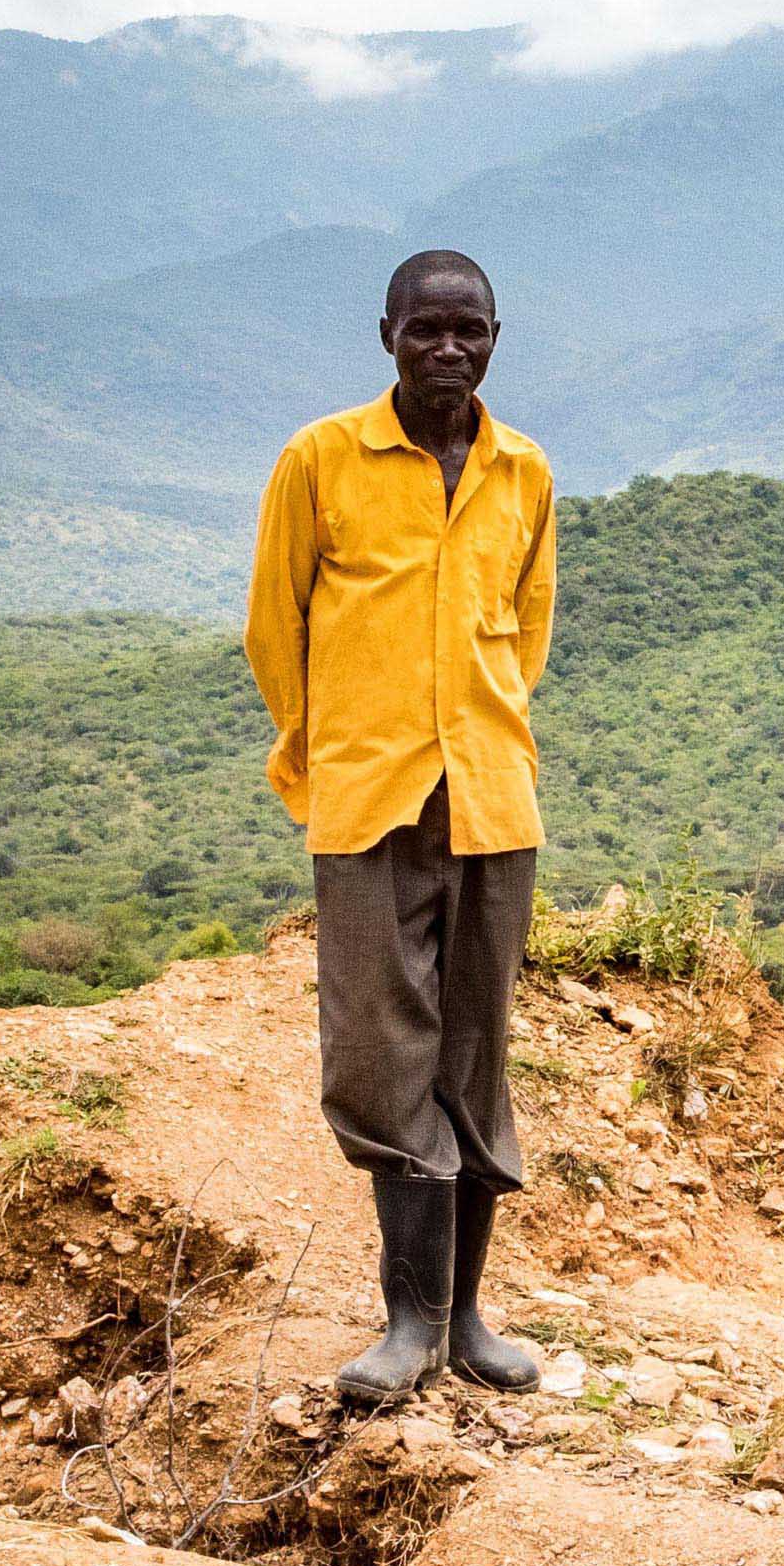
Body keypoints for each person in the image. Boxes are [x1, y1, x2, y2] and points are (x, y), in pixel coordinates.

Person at [245, 248, 561, 1412]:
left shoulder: (523, 470)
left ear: (493, 336)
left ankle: (465, 1318)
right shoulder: (321, 457)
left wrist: (482, 735)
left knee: (474, 1056)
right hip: (367, 801)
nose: (446, 346)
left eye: (466, 328)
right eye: (423, 328)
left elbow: (524, 634)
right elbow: (274, 628)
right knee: (385, 1059)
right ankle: (404, 1321)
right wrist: (325, 760)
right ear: (385, 333)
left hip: (488, 799)